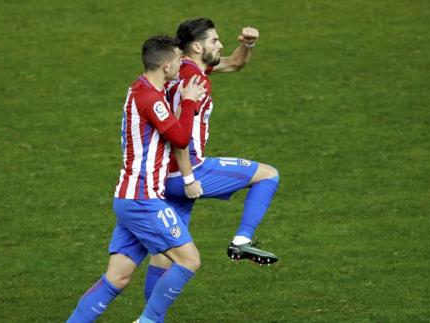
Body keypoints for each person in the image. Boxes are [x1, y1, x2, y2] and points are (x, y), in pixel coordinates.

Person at [66, 35, 207, 323]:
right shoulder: (150, 98)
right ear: (166, 65)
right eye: (180, 59)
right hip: (144, 198)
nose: (184, 64)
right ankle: (149, 321)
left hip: (129, 197)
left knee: (116, 278)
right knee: (190, 260)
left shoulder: (144, 87)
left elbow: (198, 72)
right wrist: (190, 103)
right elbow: (181, 138)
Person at [144, 18, 280, 301]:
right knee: (268, 175)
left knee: (164, 257)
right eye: (215, 41)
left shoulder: (181, 70)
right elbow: (180, 136)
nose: (221, 45)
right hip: (188, 170)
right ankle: (241, 241)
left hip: (162, 176)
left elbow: (234, 63)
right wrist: (190, 177)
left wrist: (249, 45)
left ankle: (149, 319)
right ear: (197, 46)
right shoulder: (194, 81)